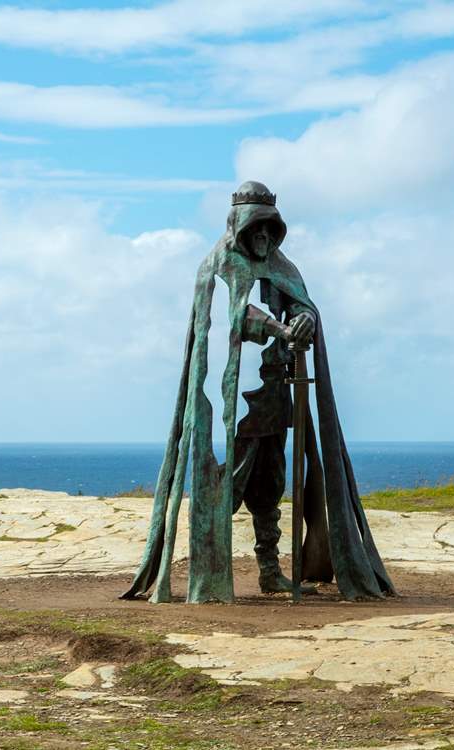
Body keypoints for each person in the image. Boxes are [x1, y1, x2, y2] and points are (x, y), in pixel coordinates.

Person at [122, 181, 395, 603]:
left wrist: (303, 319)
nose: (264, 237)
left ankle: (270, 571)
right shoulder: (216, 267)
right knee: (224, 488)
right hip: (230, 405)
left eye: (270, 228)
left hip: (271, 397)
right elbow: (224, 323)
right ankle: (209, 574)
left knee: (269, 488)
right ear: (240, 228)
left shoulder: (283, 267)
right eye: (256, 229)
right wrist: (271, 327)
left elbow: (302, 306)